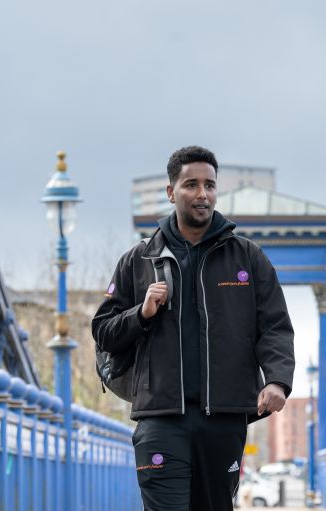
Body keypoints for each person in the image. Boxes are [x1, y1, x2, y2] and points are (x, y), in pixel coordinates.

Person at [91, 145, 295, 511]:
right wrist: (141, 313)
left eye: (210, 185)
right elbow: (103, 330)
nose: (202, 194)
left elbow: (275, 326)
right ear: (171, 192)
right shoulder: (138, 261)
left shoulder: (248, 257)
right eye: (191, 185)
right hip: (160, 418)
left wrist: (278, 379)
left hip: (225, 417)